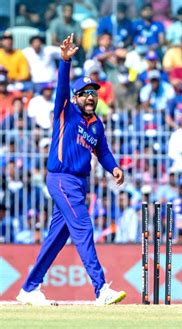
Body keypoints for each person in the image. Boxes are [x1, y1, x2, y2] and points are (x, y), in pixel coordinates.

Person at [16, 34, 126, 306]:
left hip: (78, 184)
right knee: (83, 227)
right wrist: (65, 61)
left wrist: (113, 168)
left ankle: (29, 288)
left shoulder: (97, 124)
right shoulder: (65, 110)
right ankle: (101, 289)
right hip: (62, 179)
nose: (91, 97)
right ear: (76, 97)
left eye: (94, 93)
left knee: (57, 238)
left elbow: (102, 151)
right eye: (86, 93)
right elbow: (62, 87)